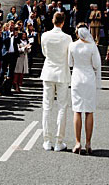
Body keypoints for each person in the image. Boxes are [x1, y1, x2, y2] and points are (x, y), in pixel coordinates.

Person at [40, 11, 73, 152]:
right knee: (62, 107)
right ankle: (59, 142)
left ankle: (47, 141)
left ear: (53, 21)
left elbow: (44, 53)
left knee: (47, 107)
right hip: (62, 73)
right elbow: (69, 57)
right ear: (63, 22)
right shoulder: (68, 38)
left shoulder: (45, 36)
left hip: (48, 72)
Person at [70, 24, 101, 154]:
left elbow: (70, 63)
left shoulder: (72, 45)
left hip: (77, 77)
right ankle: (88, 143)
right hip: (88, 78)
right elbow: (96, 64)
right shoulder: (92, 46)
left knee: (77, 110)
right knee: (89, 111)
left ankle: (78, 142)